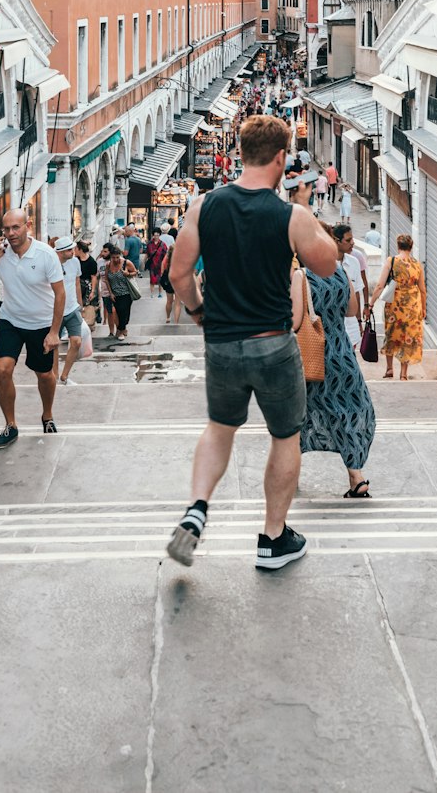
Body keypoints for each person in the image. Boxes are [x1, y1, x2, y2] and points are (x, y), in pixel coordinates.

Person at [165, 115, 338, 572]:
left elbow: (178, 275)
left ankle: (197, 507)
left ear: (240, 153)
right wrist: (305, 210)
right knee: (285, 436)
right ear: (282, 158)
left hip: (222, 343)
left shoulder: (203, 207)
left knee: (220, 428)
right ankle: (273, 538)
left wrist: (200, 312)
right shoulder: (290, 216)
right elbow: (328, 264)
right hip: (273, 344)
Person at [296, 230, 376, 498]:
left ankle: (289, 471)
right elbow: (351, 310)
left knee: (300, 412)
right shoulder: (339, 271)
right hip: (341, 353)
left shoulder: (301, 277)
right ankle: (356, 475)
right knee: (348, 408)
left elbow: (294, 320)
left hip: (311, 355)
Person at [0, 209, 65, 449]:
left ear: (28, 225)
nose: (11, 233)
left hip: (41, 324)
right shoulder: (0, 254)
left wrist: (54, 331)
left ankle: (47, 415)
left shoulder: (45, 254)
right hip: (10, 320)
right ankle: (10, 425)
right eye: (6, 229)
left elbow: (60, 294)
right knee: (2, 370)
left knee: (44, 375)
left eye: (16, 227)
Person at [369, 233, 427, 379]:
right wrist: (424, 308)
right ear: (411, 246)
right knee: (407, 336)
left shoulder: (392, 261)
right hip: (413, 306)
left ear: (398, 246)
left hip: (395, 305)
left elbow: (380, 285)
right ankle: (404, 373)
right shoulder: (417, 264)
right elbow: (423, 290)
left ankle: (389, 369)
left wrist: (371, 304)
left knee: (392, 334)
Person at [54, 236, 84, 385]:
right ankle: (54, 376)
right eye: (70, 250)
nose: (73, 251)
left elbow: (77, 282)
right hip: (54, 311)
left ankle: (64, 376)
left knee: (77, 342)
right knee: (54, 344)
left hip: (72, 308)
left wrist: (80, 302)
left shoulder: (75, 262)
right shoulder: (51, 263)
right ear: (61, 252)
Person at [335, 225, 364, 348]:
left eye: (352, 239)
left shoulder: (354, 262)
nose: (352, 243)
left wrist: (359, 321)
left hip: (351, 324)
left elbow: (357, 293)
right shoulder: (324, 264)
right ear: (336, 241)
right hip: (332, 324)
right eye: (348, 240)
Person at [103, 244, 139, 339]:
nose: (115, 260)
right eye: (113, 257)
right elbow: (106, 279)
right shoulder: (108, 265)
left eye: (117, 257)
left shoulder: (126, 263)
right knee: (117, 312)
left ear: (120, 256)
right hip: (115, 293)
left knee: (124, 312)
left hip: (126, 292)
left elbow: (135, 272)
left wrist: (128, 274)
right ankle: (122, 329)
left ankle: (120, 330)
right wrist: (110, 293)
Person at [77, 239, 100, 326]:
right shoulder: (76, 260)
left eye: (76, 249)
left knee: (88, 306)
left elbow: (93, 277)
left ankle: (88, 324)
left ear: (80, 249)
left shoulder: (91, 262)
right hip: (78, 285)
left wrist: (93, 291)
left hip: (87, 286)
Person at [146, 229, 167, 298]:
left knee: (160, 279)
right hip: (152, 264)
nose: (156, 237)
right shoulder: (149, 244)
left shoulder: (162, 244)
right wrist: (145, 262)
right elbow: (147, 254)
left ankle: (160, 293)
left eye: (157, 235)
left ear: (159, 235)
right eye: (155, 235)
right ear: (153, 235)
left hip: (160, 264)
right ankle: (151, 293)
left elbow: (166, 254)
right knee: (152, 279)